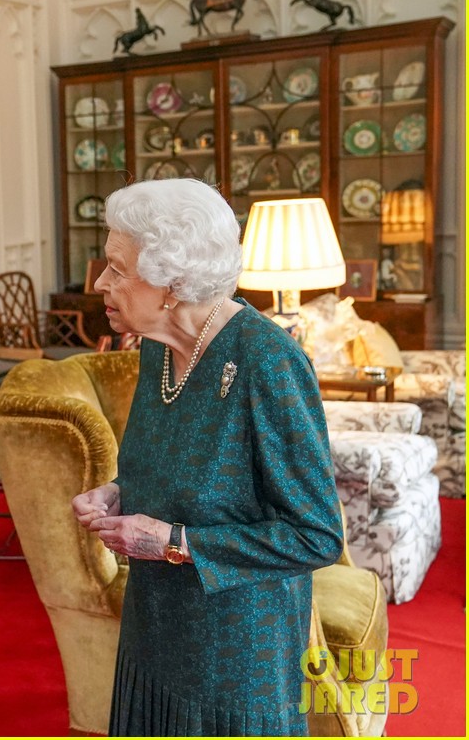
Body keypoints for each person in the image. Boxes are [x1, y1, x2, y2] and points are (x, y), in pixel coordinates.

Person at [71, 178, 342, 736]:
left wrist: (173, 543)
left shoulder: (268, 363)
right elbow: (182, 464)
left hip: (235, 655)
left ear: (172, 281)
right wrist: (122, 490)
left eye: (118, 269)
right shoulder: (157, 348)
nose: (100, 282)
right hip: (154, 628)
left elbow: (316, 536)